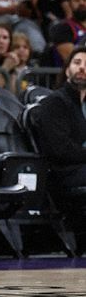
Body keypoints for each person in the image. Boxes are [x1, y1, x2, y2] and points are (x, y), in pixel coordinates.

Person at [32, 47, 86, 190]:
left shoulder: (82, 104)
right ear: (67, 70)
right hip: (62, 173)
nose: (82, 67)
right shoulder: (56, 101)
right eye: (77, 62)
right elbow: (60, 150)